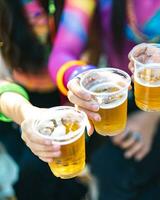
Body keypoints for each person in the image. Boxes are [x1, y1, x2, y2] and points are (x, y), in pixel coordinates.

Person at [47, 0, 160, 199]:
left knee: (113, 172)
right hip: (109, 99)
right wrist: (80, 77)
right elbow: (61, 54)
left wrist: (153, 117)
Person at [0, 0, 92, 199]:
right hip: (12, 103)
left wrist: (81, 79)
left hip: (64, 93)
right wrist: (26, 113)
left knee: (52, 171)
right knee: (34, 171)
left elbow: (69, 52)